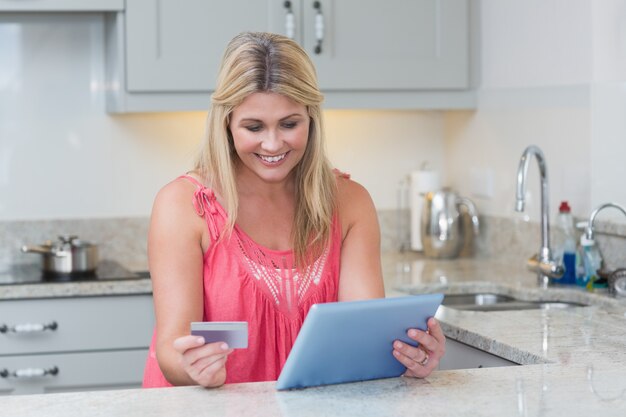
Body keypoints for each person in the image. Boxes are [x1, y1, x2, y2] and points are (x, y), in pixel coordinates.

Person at [142, 31, 446, 389]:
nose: (272, 144)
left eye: (289, 124)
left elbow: (363, 341)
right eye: (253, 127)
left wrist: (408, 358)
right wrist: (192, 368)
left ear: (311, 118)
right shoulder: (184, 206)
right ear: (226, 122)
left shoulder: (349, 203)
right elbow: (170, 349)